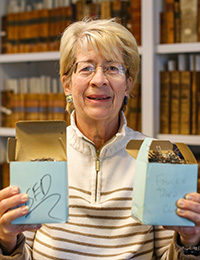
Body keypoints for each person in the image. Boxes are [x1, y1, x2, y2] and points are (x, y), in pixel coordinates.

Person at [0, 18, 200, 260]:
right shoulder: (38, 152)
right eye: (86, 68)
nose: (99, 80)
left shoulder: (158, 158)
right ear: (66, 83)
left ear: (128, 85)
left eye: (113, 68)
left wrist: (188, 241)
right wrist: (7, 241)